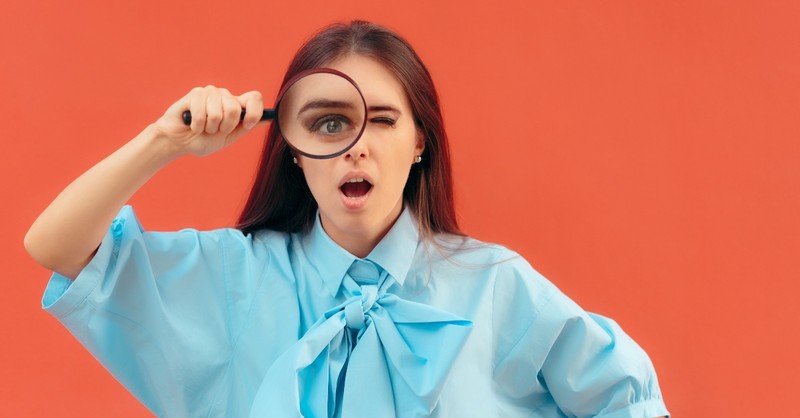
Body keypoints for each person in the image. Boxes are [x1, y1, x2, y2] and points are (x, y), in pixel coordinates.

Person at [25, 20, 670, 418]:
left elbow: (627, 398)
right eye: (326, 123)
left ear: (421, 142)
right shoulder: (233, 278)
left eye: (382, 120)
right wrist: (165, 140)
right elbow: (54, 245)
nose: (355, 144)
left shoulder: (497, 287)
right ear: (296, 153)